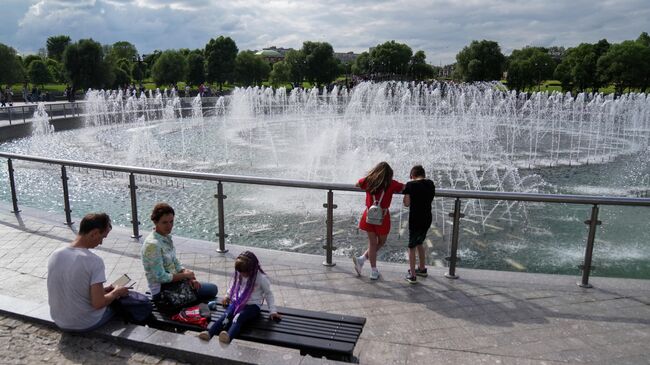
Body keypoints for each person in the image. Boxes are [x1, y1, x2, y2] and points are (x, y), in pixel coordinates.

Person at [47, 213, 129, 332]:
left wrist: (104, 290)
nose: (101, 243)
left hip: (59, 320)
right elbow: (98, 303)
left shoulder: (56, 254)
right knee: (123, 303)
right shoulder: (94, 261)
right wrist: (116, 292)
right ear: (94, 233)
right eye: (102, 237)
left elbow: (75, 288)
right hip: (84, 323)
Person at [141, 203, 218, 304]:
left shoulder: (165, 238)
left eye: (171, 221)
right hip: (163, 291)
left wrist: (187, 275)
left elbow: (174, 262)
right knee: (212, 289)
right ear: (155, 222)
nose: (169, 226)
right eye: (164, 222)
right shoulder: (152, 245)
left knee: (210, 289)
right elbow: (160, 277)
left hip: (175, 283)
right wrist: (185, 276)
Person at [198, 251, 280, 343]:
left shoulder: (261, 278)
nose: (242, 274)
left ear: (252, 268)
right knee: (226, 315)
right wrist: (227, 296)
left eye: (245, 272)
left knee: (238, 317)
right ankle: (209, 333)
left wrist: (273, 311)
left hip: (252, 306)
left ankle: (228, 336)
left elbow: (268, 294)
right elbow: (233, 285)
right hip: (237, 303)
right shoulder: (239, 274)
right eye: (240, 271)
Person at [352, 162, 404, 280]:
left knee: (372, 243)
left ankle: (364, 262)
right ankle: (371, 269)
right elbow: (405, 187)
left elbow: (357, 184)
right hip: (382, 217)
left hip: (369, 215)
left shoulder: (368, 181)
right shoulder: (392, 184)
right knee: (381, 242)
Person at [402, 165, 435, 284]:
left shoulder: (410, 185)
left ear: (412, 175)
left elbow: (406, 203)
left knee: (411, 247)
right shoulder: (430, 183)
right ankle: (422, 269)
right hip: (427, 219)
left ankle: (412, 275)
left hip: (415, 219)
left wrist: (406, 190)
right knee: (420, 242)